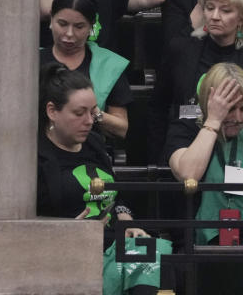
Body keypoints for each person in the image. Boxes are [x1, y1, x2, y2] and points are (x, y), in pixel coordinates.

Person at [37, 62, 170, 295]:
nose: (90, 121)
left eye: (93, 112)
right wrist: (65, 230)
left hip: (110, 243)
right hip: (64, 253)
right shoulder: (35, 156)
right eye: (79, 113)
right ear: (52, 111)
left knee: (152, 250)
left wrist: (127, 221)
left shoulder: (95, 143)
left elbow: (115, 195)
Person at [150, 0, 243, 163]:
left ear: (241, 17)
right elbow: (159, 107)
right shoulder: (180, 49)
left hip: (242, 151)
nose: (215, 16)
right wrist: (158, 160)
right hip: (186, 147)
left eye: (225, 10)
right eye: (209, 8)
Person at [164, 62, 243, 246]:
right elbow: (188, 175)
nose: (238, 118)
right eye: (230, 108)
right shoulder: (186, 128)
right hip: (197, 243)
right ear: (210, 102)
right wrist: (214, 120)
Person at [42, 0, 132, 140]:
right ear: (51, 19)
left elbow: (122, 128)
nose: (69, 34)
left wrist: (91, 112)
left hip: (90, 148)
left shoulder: (108, 64)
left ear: (91, 26)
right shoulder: (32, 62)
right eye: (62, 24)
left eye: (79, 26)